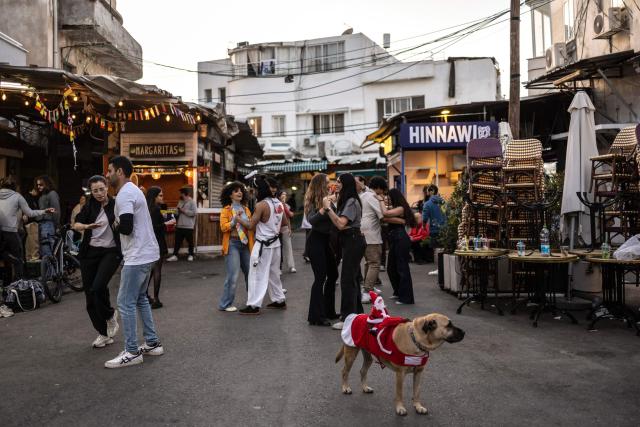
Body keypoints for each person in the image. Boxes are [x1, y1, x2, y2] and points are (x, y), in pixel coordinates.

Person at [105, 155, 163, 368]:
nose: (107, 175)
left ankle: (131, 351)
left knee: (125, 302)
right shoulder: (135, 190)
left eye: (110, 171)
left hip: (137, 256)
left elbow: (127, 226)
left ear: (119, 171)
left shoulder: (125, 194)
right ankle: (152, 343)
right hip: (147, 253)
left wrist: (115, 224)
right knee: (140, 299)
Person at [73, 175, 121, 348]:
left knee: (98, 286)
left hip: (111, 251)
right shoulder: (89, 206)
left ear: (107, 187)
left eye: (101, 189)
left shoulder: (116, 204)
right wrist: (86, 227)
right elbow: (76, 224)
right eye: (95, 191)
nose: (99, 193)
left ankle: (110, 315)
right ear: (91, 192)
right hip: (89, 253)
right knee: (90, 296)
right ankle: (103, 333)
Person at [236, 176, 288, 315]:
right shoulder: (278, 203)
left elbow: (251, 226)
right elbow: (284, 223)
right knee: (274, 274)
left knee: (257, 275)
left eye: (254, 190)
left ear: (260, 189)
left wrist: (238, 219)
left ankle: (253, 305)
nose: (253, 192)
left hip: (263, 245)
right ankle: (279, 300)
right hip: (276, 244)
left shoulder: (261, 205)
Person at [323, 173, 365, 330]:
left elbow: (340, 224)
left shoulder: (351, 201)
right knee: (352, 279)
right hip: (351, 240)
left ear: (346, 184)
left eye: (340, 182)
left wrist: (327, 208)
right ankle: (357, 314)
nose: (337, 184)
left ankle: (348, 317)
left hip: (353, 240)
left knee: (348, 280)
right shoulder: (348, 200)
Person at [0, 176, 52, 285]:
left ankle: (5, 285)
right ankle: (20, 286)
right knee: (19, 260)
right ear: (14, 186)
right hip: (11, 233)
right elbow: (30, 213)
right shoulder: (17, 196)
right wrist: (44, 211)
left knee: (4, 256)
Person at [305, 173, 338, 326]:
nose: (329, 184)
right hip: (315, 240)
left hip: (326, 240)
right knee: (320, 278)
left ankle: (329, 311)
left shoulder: (329, 197)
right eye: (326, 182)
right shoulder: (313, 200)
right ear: (320, 184)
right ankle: (315, 316)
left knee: (333, 274)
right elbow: (312, 220)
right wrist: (324, 209)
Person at [218, 182, 254, 312]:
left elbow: (251, 226)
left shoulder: (246, 209)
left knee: (251, 274)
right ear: (230, 195)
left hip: (245, 245)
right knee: (233, 276)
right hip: (232, 244)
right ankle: (225, 304)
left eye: (241, 191)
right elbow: (223, 227)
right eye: (236, 191)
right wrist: (234, 221)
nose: (240, 193)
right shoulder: (226, 210)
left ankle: (252, 301)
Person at [379, 188, 416, 305]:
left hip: (400, 238)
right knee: (391, 267)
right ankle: (399, 292)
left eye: (389, 196)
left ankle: (406, 298)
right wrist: (399, 221)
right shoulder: (396, 208)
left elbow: (385, 215)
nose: (387, 198)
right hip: (396, 238)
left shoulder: (401, 208)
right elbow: (384, 218)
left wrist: (380, 200)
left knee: (402, 268)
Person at [358, 176, 387, 304]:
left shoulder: (363, 195)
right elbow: (382, 214)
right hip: (371, 234)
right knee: (375, 263)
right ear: (380, 188)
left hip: (362, 232)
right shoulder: (373, 197)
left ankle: (368, 287)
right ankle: (366, 291)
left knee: (368, 262)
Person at [146, 187, 174, 309]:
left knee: (150, 271)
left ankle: (145, 295)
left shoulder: (147, 209)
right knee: (157, 270)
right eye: (161, 195)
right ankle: (156, 299)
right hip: (158, 243)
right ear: (154, 197)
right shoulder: (156, 209)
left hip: (149, 243)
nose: (163, 197)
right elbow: (156, 227)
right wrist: (167, 224)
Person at [166, 187, 197, 262]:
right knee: (177, 241)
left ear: (184, 193)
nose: (180, 195)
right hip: (179, 225)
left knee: (190, 242)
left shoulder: (192, 202)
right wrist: (175, 211)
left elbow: (194, 213)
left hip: (188, 226)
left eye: (181, 193)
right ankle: (175, 255)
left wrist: (183, 210)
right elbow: (177, 212)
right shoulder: (180, 201)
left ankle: (191, 255)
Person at [34, 175, 61, 258]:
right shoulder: (42, 196)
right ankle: (48, 270)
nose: (38, 186)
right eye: (37, 185)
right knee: (44, 250)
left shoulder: (52, 194)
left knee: (47, 250)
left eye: (41, 184)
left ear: (47, 184)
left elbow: (56, 211)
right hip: (42, 224)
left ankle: (50, 270)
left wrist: (56, 225)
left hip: (48, 224)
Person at [422, 184, 446, 275]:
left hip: (435, 229)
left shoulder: (427, 204)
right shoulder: (443, 202)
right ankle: (443, 268)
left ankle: (439, 269)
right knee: (444, 249)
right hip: (445, 229)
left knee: (437, 250)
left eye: (428, 190)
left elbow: (424, 218)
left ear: (431, 191)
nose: (427, 192)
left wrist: (424, 226)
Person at [279, 190, 296, 274]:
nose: (284, 196)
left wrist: (289, 228)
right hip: (277, 229)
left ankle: (291, 266)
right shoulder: (277, 204)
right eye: (283, 194)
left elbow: (289, 216)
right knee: (279, 249)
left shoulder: (286, 205)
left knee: (288, 247)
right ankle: (279, 267)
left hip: (285, 228)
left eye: (285, 195)